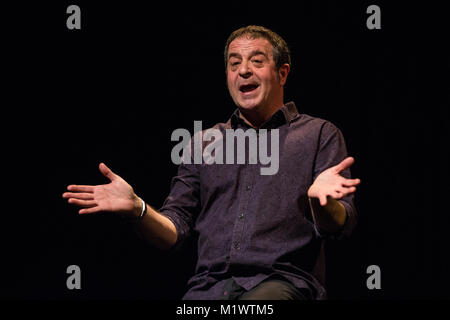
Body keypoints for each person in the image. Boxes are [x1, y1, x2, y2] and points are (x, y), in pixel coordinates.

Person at [62, 25, 360, 300]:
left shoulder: (319, 135)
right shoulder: (203, 143)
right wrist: (137, 209)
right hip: (208, 289)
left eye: (256, 61)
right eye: (234, 64)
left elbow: (339, 226)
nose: (243, 70)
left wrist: (320, 203)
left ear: (282, 74)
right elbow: (174, 231)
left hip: (282, 284)